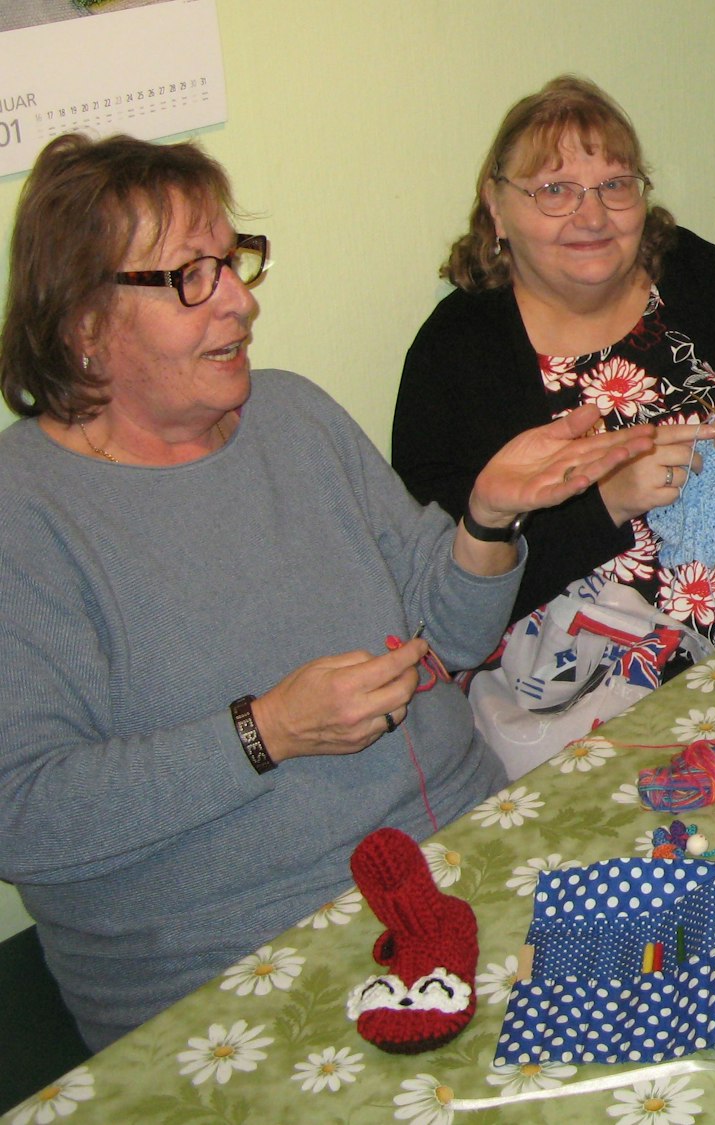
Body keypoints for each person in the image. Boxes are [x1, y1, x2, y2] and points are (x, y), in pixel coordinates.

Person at [0, 133, 653, 1050]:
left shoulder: (293, 415)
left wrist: (488, 519)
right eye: (192, 276)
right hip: (245, 964)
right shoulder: (24, 519)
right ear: (85, 322)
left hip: (466, 862)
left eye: (232, 262)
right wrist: (264, 731)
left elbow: (456, 638)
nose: (239, 300)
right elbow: (22, 816)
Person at [393, 75, 715, 663]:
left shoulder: (687, 269)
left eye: (614, 185)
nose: (592, 217)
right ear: (496, 208)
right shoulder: (456, 350)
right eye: (555, 190)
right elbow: (445, 595)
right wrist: (604, 504)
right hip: (624, 692)